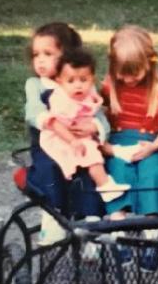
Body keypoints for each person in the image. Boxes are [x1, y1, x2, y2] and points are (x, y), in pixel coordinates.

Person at [24, 22, 109, 242]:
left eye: (48, 54)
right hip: (49, 145)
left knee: (90, 172)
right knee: (50, 171)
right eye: (36, 54)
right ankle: (53, 219)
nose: (40, 60)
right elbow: (34, 111)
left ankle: (92, 224)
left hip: (80, 144)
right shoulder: (36, 85)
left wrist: (95, 127)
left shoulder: (83, 84)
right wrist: (52, 122)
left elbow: (99, 115)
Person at [100, 26, 158, 268]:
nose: (129, 79)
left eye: (135, 74)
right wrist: (109, 149)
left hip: (149, 144)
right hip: (117, 144)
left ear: (149, 65)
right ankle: (119, 235)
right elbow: (97, 126)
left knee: (153, 174)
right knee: (117, 175)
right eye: (123, 74)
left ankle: (151, 237)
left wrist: (153, 148)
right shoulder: (109, 89)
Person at [40, 48, 129, 202]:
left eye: (83, 80)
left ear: (92, 79)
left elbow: (96, 115)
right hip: (62, 137)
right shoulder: (61, 100)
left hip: (80, 134)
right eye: (71, 81)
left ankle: (116, 151)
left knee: (94, 144)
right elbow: (55, 124)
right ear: (60, 81)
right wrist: (73, 141)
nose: (78, 86)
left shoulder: (87, 96)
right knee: (91, 154)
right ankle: (105, 186)